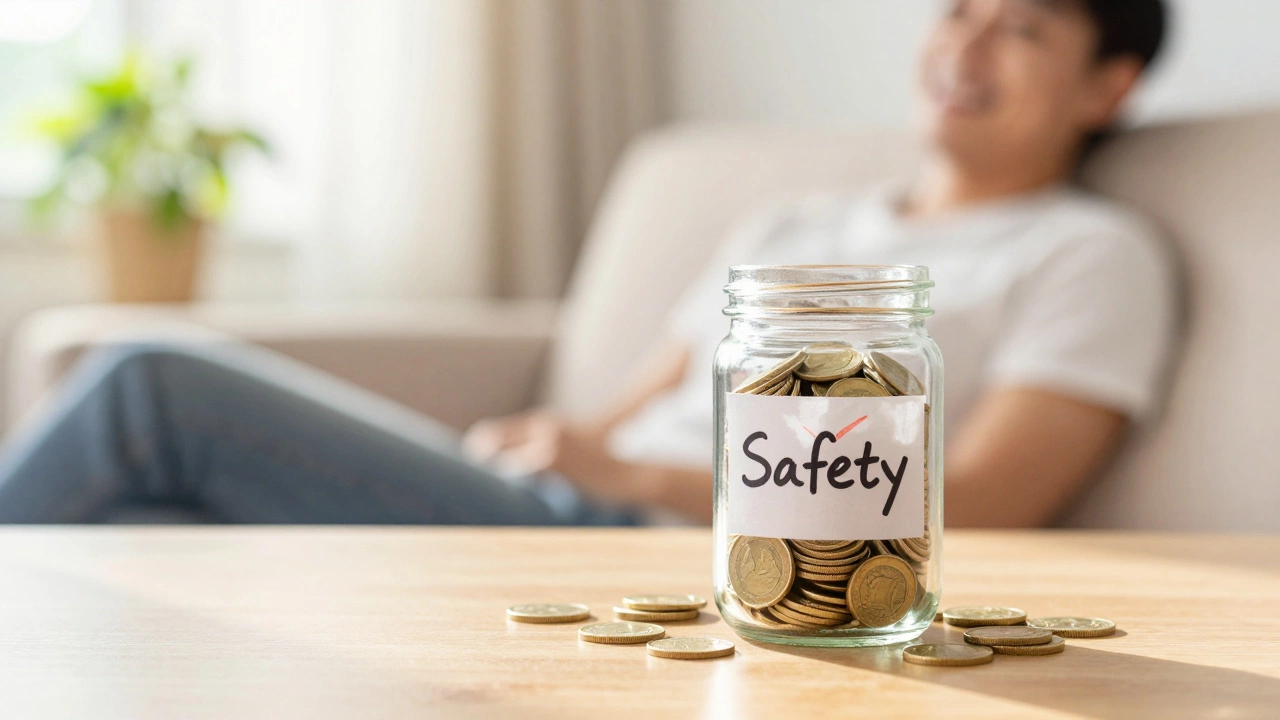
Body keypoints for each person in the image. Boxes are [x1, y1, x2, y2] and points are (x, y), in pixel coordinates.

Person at [0, 0, 1175, 528]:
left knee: (147, 385)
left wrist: (626, 480)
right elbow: (633, 408)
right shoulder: (793, 225)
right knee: (153, 522)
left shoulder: (1084, 253)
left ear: (1106, 85)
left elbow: (985, 504)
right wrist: (562, 449)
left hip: (667, 540)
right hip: (558, 499)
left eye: (1020, 26)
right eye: (955, 10)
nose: (965, 43)